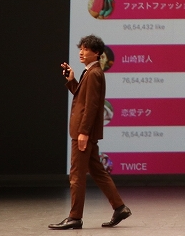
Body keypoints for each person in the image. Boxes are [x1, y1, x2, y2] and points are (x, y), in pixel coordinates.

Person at [52, 34, 132, 230]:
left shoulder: (94, 73)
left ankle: (75, 217)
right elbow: (83, 99)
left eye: (86, 49)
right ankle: (120, 208)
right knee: (97, 171)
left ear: (96, 53)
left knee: (76, 175)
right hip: (84, 132)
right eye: (81, 48)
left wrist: (84, 132)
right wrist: (72, 81)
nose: (81, 52)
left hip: (82, 132)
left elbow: (92, 106)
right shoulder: (90, 72)